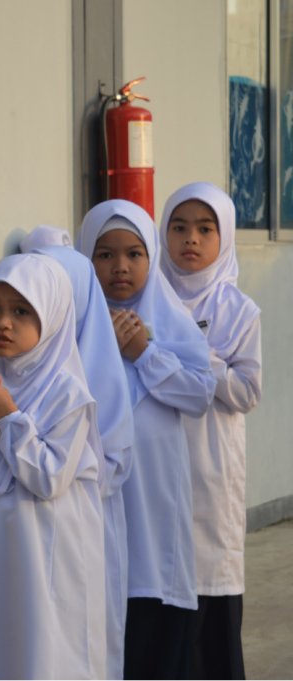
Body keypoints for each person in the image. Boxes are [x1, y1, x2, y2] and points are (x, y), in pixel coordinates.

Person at [0, 253, 107, 679]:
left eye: (21, 311)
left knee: (39, 653)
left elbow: (49, 478)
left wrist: (9, 419)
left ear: (52, 317)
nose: (3, 323)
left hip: (43, 553)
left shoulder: (67, 394)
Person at [78, 199, 216, 680]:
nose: (120, 267)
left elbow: (199, 394)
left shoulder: (172, 323)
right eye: (105, 254)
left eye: (134, 254)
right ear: (85, 258)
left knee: (155, 617)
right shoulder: (71, 327)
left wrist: (144, 352)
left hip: (155, 505)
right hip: (95, 499)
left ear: (151, 258)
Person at [159, 183, 262, 680]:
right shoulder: (150, 298)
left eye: (205, 229)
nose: (191, 239)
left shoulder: (239, 309)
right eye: (179, 227)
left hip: (211, 469)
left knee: (210, 600)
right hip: (159, 465)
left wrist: (201, 359)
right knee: (163, 602)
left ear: (226, 237)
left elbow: (248, 390)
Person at [32, 245, 136, 680]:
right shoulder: (9, 366)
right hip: (22, 536)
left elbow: (113, 463)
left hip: (83, 526)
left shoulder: (100, 372)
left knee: (80, 643)